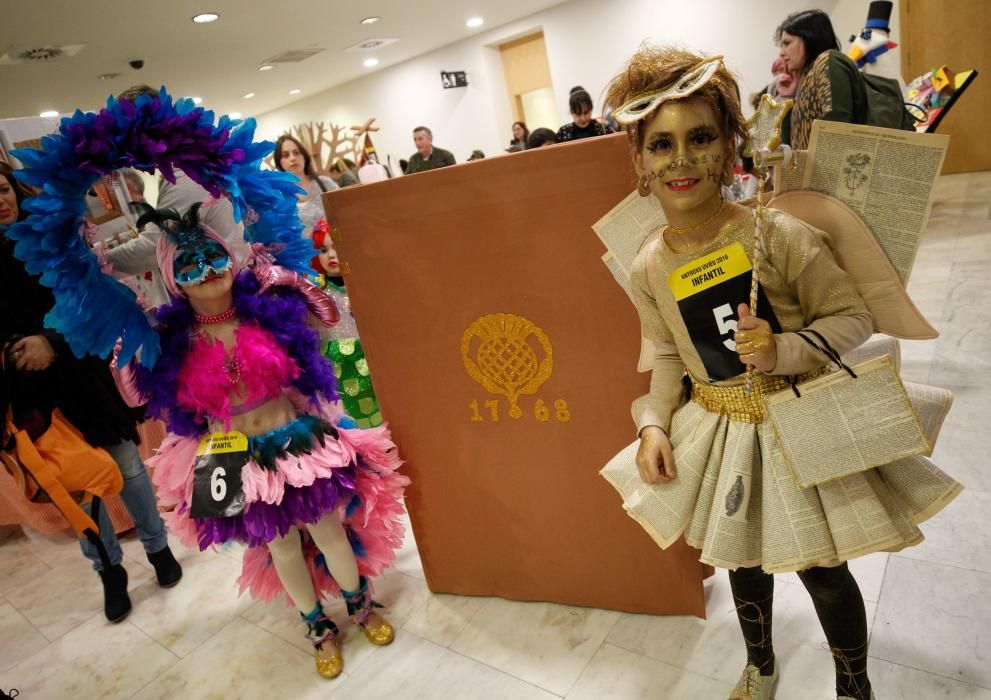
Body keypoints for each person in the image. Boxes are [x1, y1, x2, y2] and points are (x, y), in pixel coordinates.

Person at [604, 46, 955, 700]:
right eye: (660, 145)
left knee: (822, 569)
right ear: (639, 163)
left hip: (795, 426)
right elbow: (669, 357)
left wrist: (782, 349)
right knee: (742, 559)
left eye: (699, 137)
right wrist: (652, 426)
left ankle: (854, 686)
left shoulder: (777, 233)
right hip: (718, 431)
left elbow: (850, 317)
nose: (680, 159)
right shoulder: (646, 266)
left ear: (730, 143)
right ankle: (760, 666)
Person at [0, 160, 182, 624]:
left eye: (2, 189)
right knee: (77, 483)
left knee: (127, 465)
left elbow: (90, 293)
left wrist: (53, 340)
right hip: (29, 386)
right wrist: (18, 349)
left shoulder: (52, 236)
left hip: (80, 365)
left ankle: (158, 549)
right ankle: (108, 572)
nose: (0, 200)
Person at [104, 86, 251, 275]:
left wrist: (94, 259)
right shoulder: (189, 165)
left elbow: (157, 246)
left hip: (227, 282)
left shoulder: (188, 173)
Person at [775, 9, 911, 148]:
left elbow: (837, 135)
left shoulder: (829, 62)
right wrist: (788, 98)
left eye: (787, 43)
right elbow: (790, 151)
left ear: (809, 39)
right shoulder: (805, 85)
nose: (781, 52)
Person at [309, 218, 382, 429]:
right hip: (335, 367)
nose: (331, 255)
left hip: (371, 362)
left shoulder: (366, 288)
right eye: (323, 250)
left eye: (336, 248)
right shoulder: (316, 294)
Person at [273, 134, 338, 237]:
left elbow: (344, 214)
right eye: (285, 155)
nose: (292, 158)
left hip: (335, 250)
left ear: (304, 156)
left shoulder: (325, 184)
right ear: (279, 163)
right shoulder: (278, 196)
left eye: (296, 153)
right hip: (303, 252)